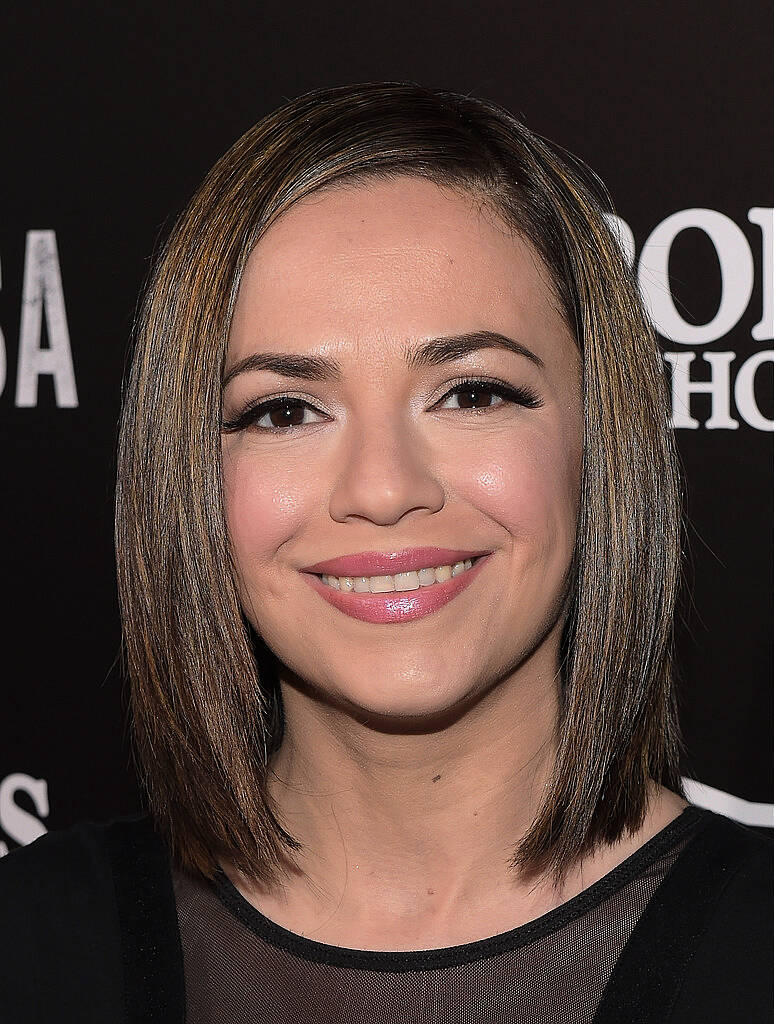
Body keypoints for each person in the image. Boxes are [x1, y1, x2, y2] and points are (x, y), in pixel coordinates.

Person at [1, 82, 770, 1023]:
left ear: (598, 441)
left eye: (473, 393)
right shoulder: (34, 950)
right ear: (190, 477)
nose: (382, 487)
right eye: (285, 410)